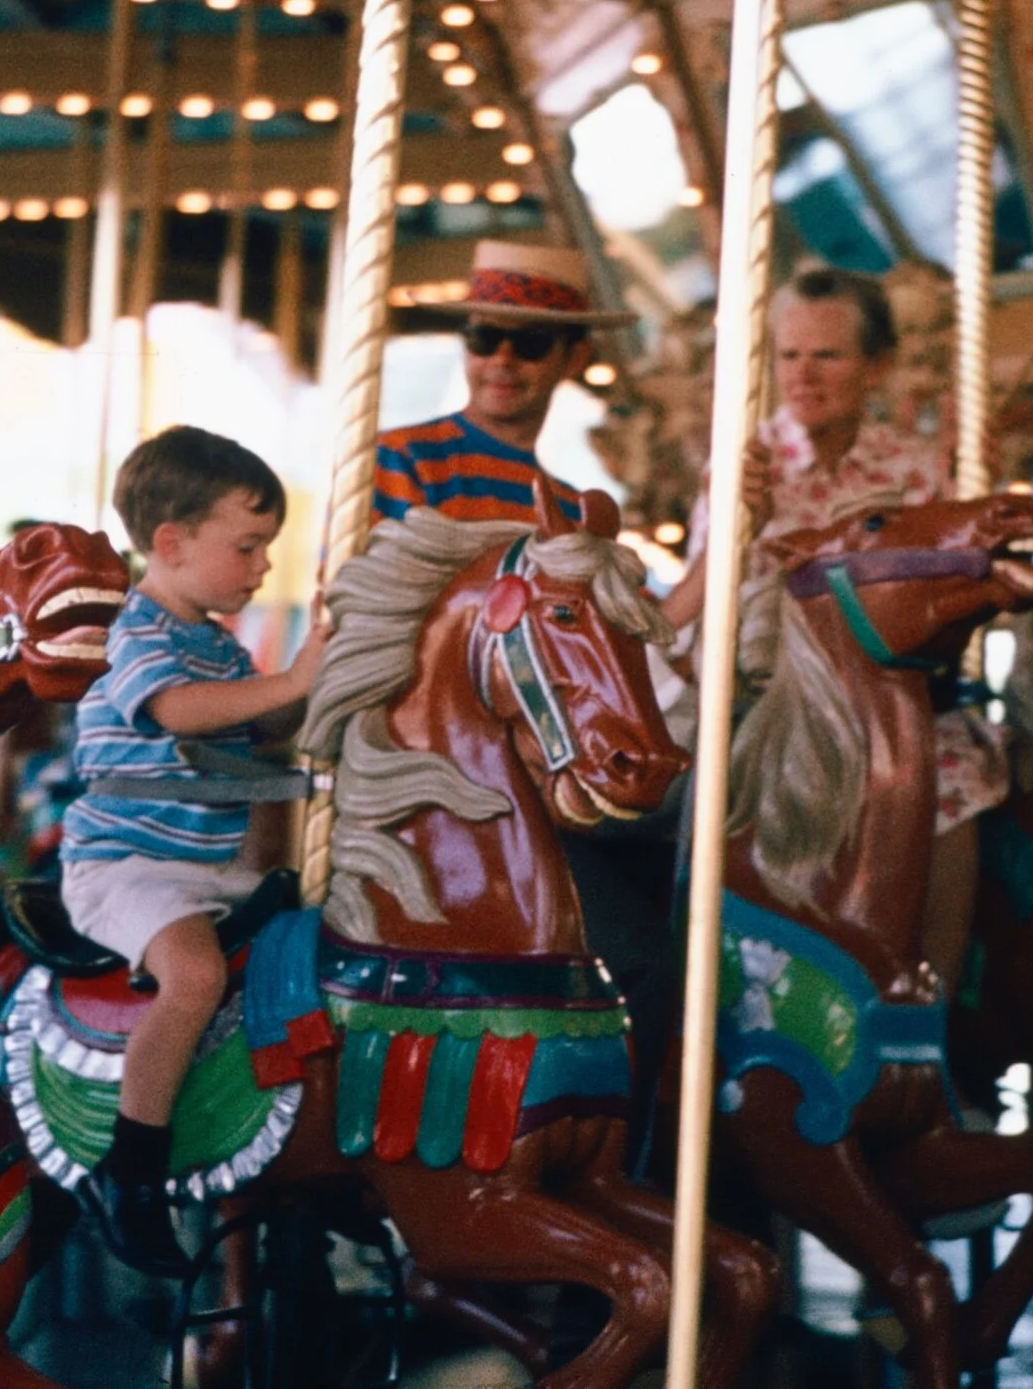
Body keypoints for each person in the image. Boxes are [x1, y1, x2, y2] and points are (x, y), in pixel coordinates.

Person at [660, 268, 1007, 988]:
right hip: (773, 707)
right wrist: (731, 527)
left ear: (875, 366)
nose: (804, 376)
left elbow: (950, 606)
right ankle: (692, 990)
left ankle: (926, 1000)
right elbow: (690, 627)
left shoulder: (912, 472)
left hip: (884, 704)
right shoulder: (745, 466)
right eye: (789, 356)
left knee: (959, 780)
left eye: (828, 356)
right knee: (705, 787)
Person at [58, 427, 326, 1276]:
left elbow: (267, 723)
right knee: (197, 977)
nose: (260, 569)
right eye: (247, 548)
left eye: (266, 550)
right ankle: (130, 1170)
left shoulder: (216, 642)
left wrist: (325, 675)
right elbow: (176, 712)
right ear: (169, 544)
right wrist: (289, 680)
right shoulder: (135, 633)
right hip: (126, 867)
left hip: (212, 869)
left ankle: (302, 1153)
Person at [372, 241, 631, 525]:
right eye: (484, 337)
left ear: (575, 359)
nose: (502, 359)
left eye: (530, 343)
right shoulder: (401, 457)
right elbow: (353, 569)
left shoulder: (570, 510)